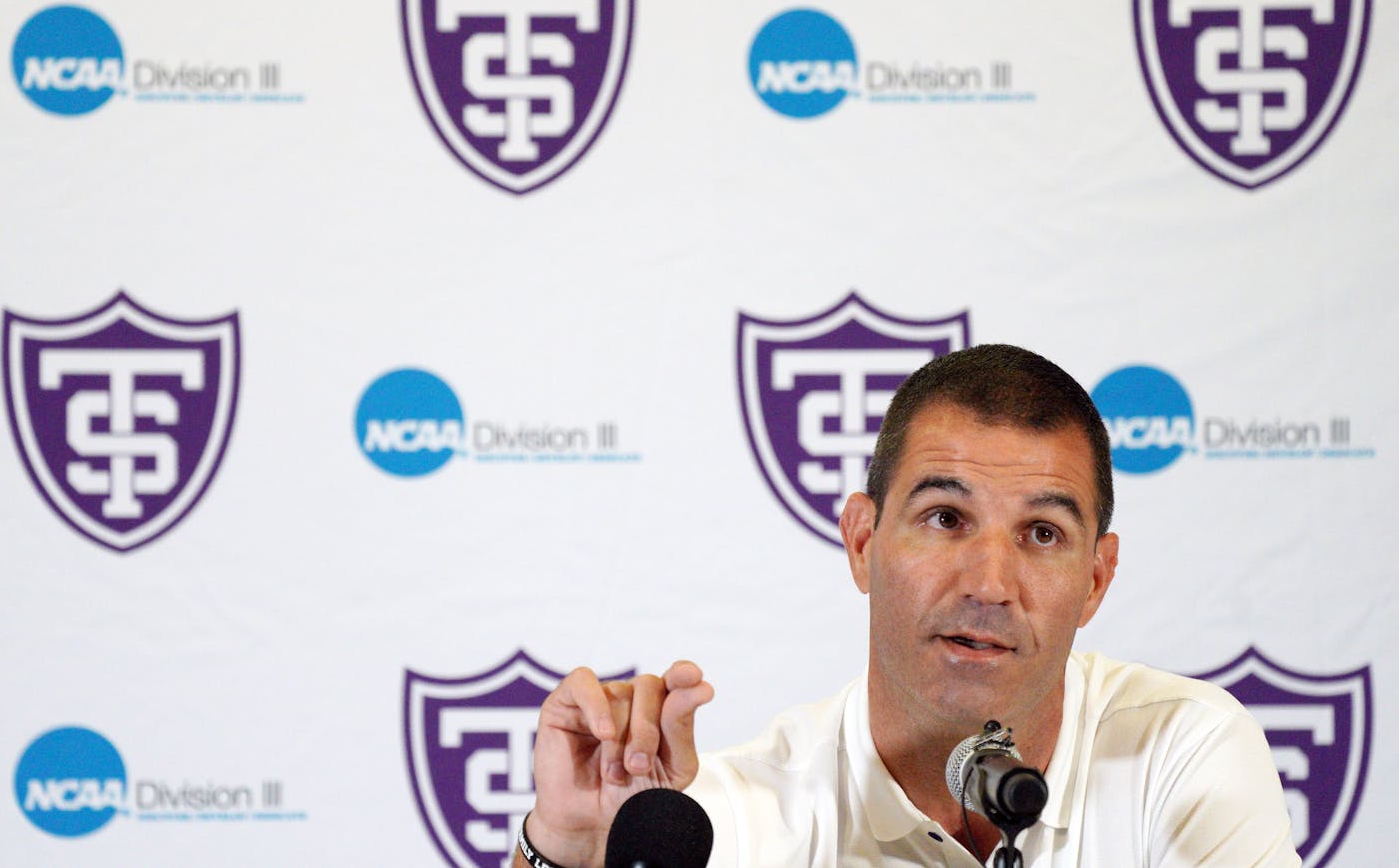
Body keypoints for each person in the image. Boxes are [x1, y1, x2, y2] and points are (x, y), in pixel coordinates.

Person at [512, 345, 1299, 868]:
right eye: (946, 519)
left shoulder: (1182, 753)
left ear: (1096, 579)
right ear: (862, 541)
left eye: (1042, 532)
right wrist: (564, 847)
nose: (990, 583)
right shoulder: (733, 820)